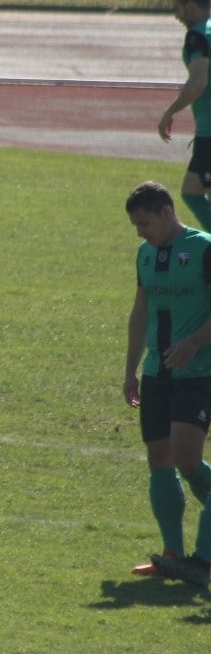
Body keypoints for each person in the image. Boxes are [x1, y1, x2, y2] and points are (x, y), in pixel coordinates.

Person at [122, 181, 211, 582]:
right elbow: (141, 310)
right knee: (159, 457)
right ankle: (173, 554)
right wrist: (131, 369)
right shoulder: (145, 254)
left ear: (166, 211)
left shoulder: (204, 248)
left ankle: (203, 559)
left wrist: (193, 342)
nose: (141, 233)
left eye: (144, 223)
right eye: (136, 226)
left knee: (187, 458)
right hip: (158, 371)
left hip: (199, 372)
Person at [158, 0, 211, 231]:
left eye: (177, 8)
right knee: (195, 190)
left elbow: (198, 81)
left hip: (209, 132)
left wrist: (170, 111)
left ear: (190, 6)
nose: (176, 15)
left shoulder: (197, 37)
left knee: (194, 192)